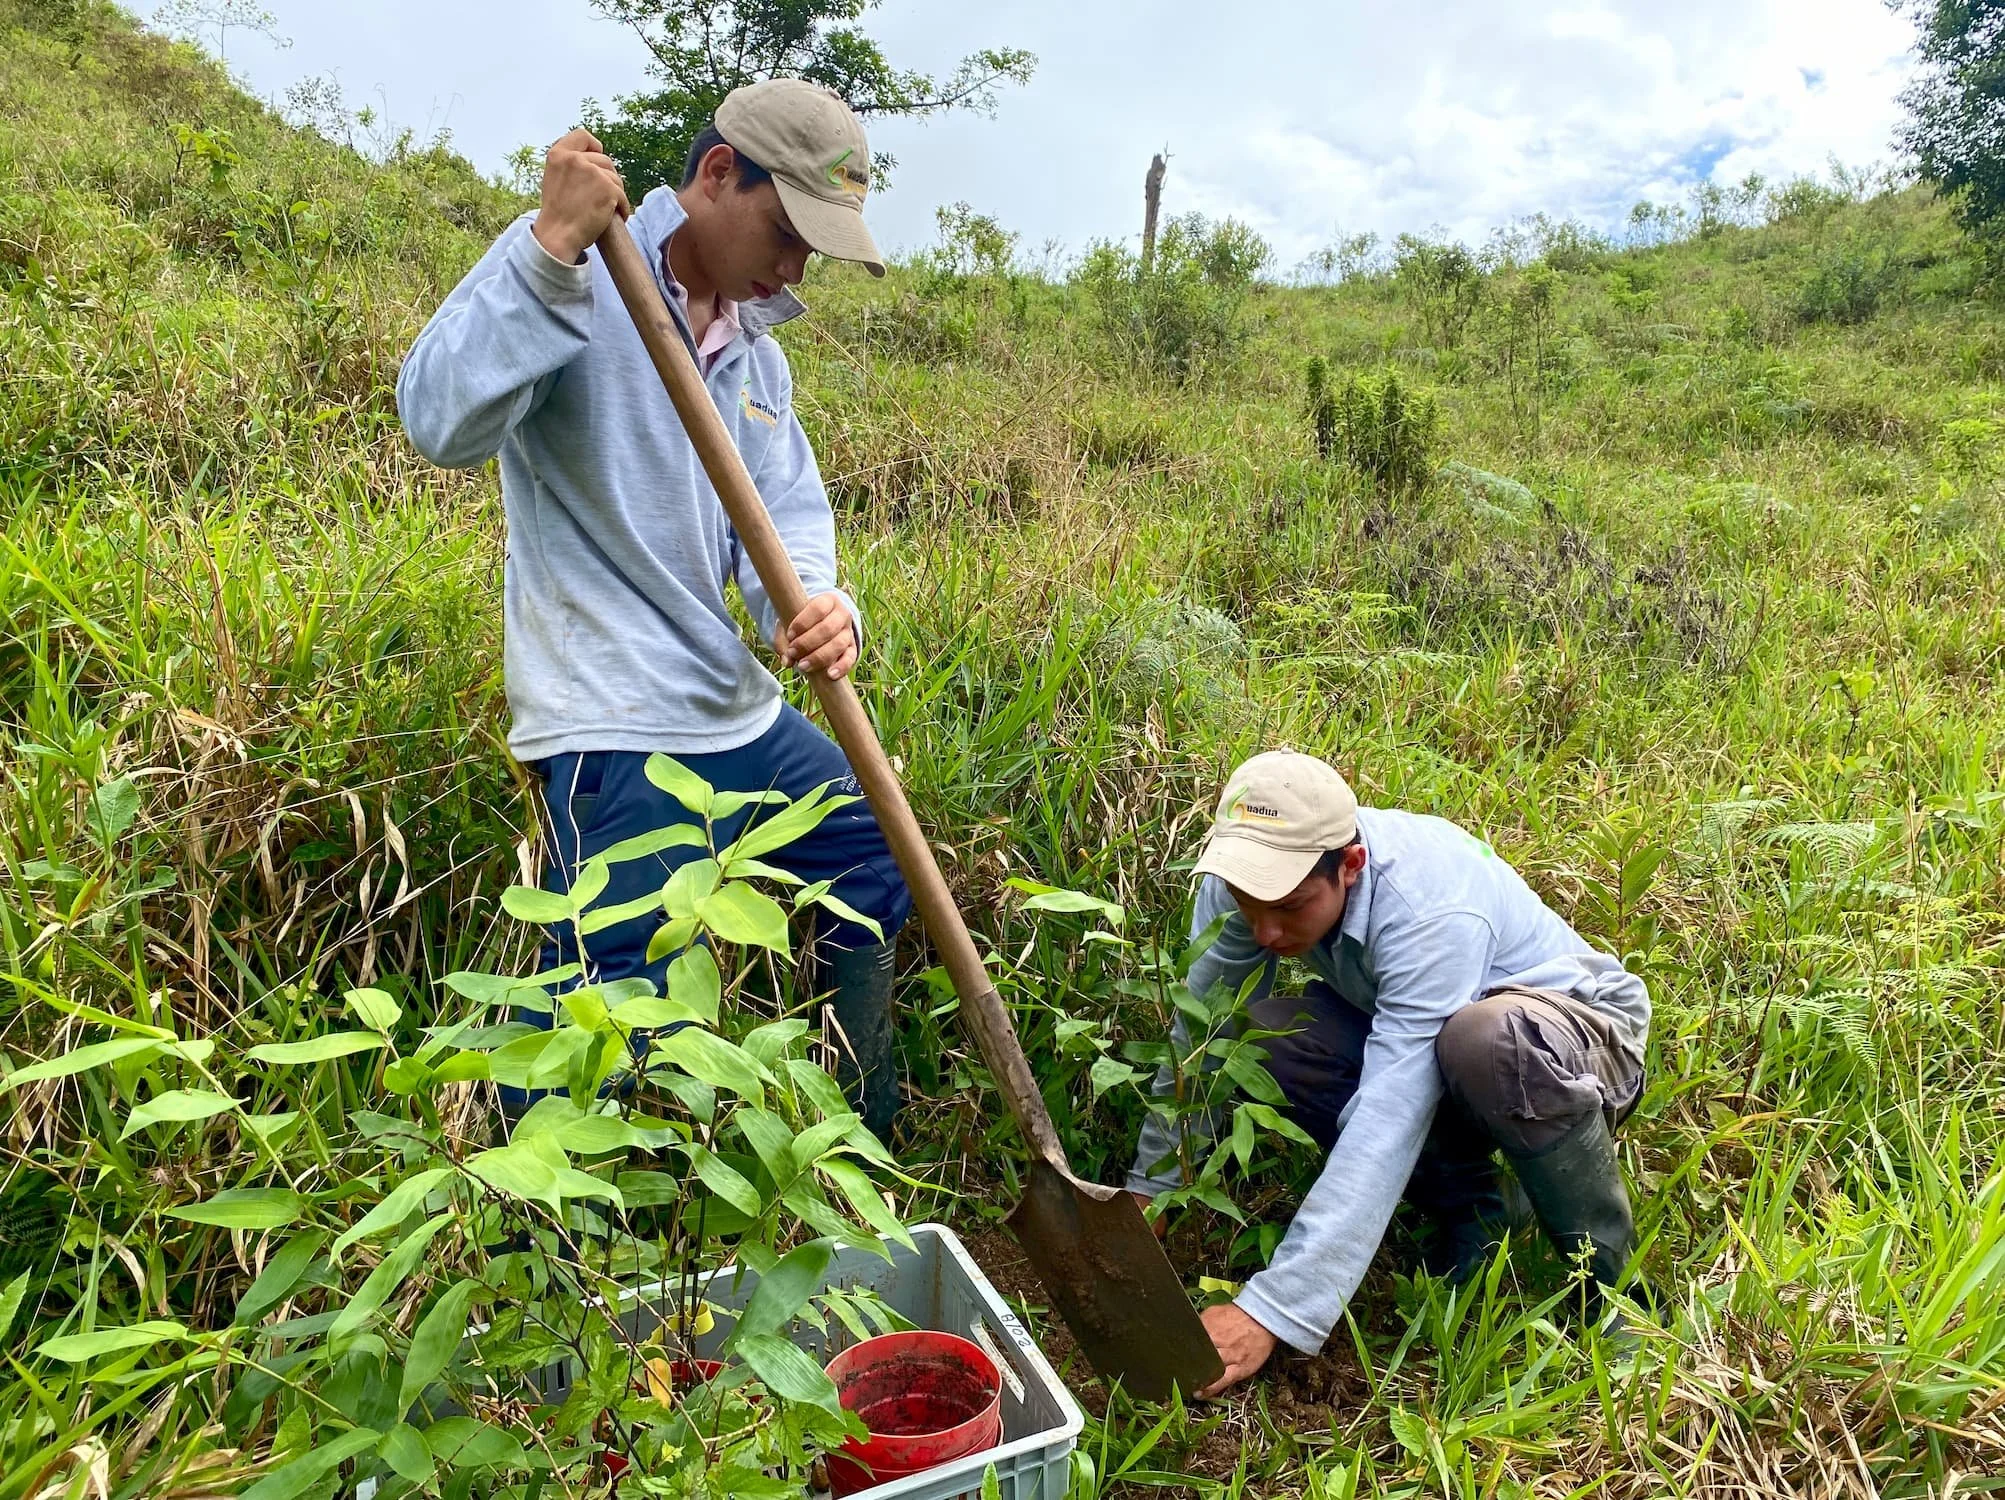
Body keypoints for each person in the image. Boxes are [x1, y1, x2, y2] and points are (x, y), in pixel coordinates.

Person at [396, 80, 911, 1134]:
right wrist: (548, 250)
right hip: (611, 707)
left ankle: (853, 1138)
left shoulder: (756, 356)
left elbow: (786, 513)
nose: (795, 268)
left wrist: (818, 604)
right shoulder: (576, 269)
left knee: (870, 856)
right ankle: (538, 1208)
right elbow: (438, 423)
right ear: (719, 174)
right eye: (786, 232)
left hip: (729, 704)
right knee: (611, 987)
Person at [1126, 750, 1652, 1396]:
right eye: (1247, 903)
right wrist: (1152, 1189)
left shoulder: (1430, 908)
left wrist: (1273, 1308)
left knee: (1486, 1040)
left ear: (1349, 865)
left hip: (1575, 1046)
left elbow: (1388, 1113)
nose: (1264, 930)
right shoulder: (1247, 874)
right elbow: (1204, 1032)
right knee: (1264, 1037)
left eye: (1289, 907)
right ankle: (1478, 1210)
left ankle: (1612, 1288)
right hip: (1439, 1044)